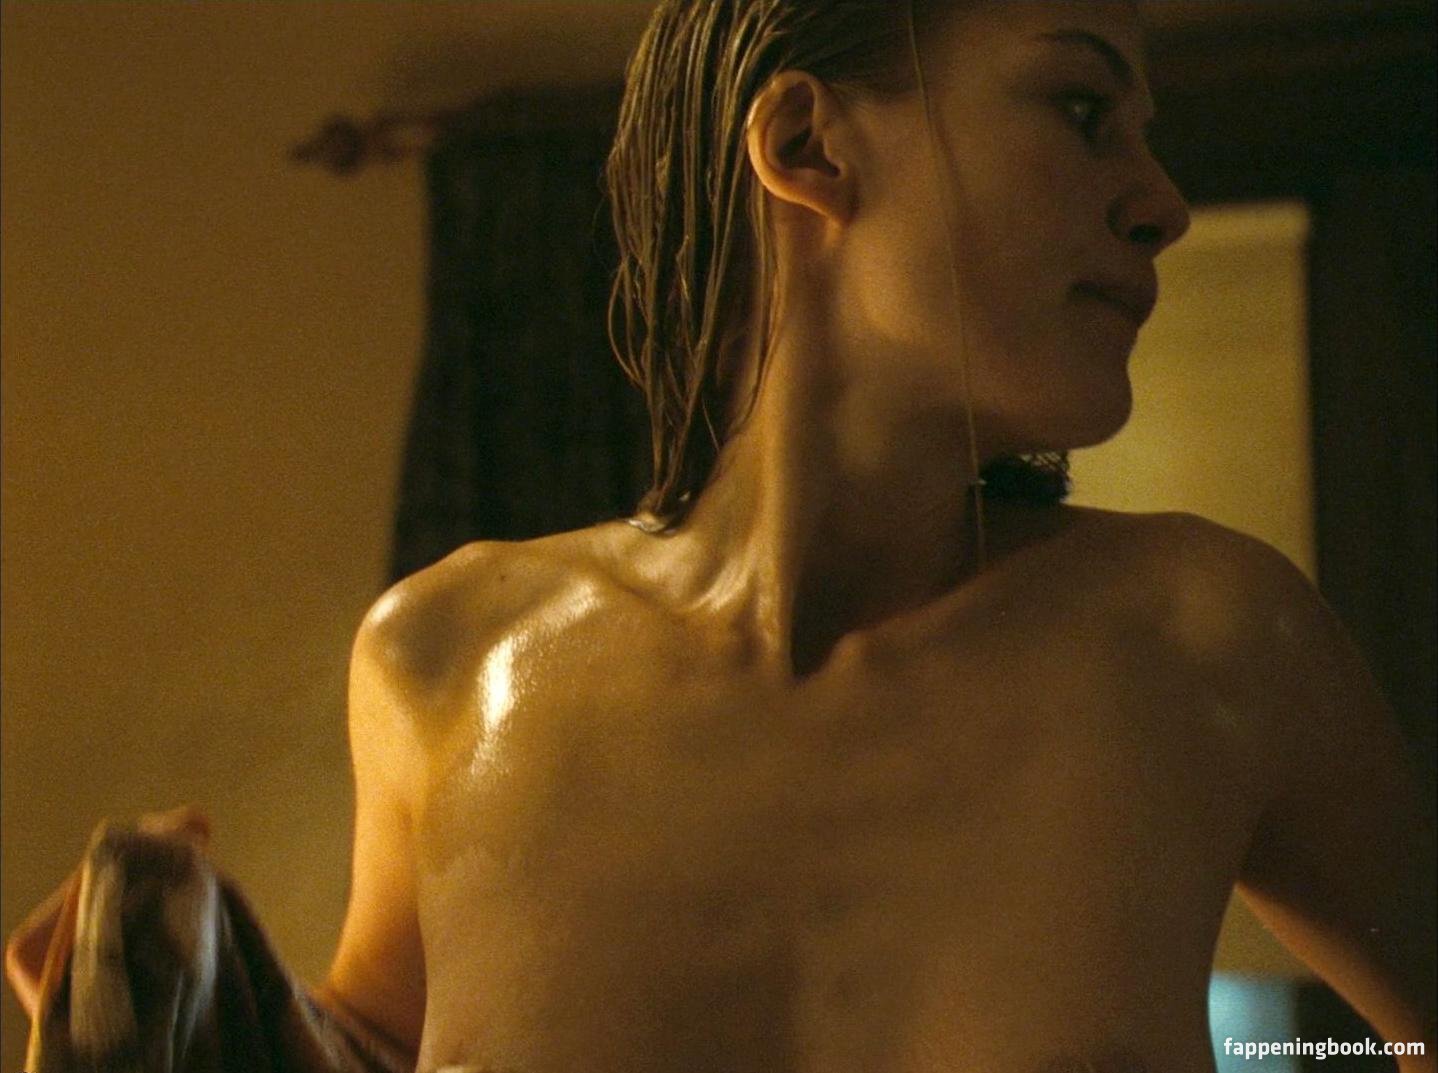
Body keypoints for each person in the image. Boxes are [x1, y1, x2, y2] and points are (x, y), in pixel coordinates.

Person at [10, 2, 1436, 1071]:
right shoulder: (446, 659)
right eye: (1082, 108)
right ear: (809, 145)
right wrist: (199, 1003)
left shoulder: (1206, 639)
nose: (1161, 200)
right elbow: (383, 1046)